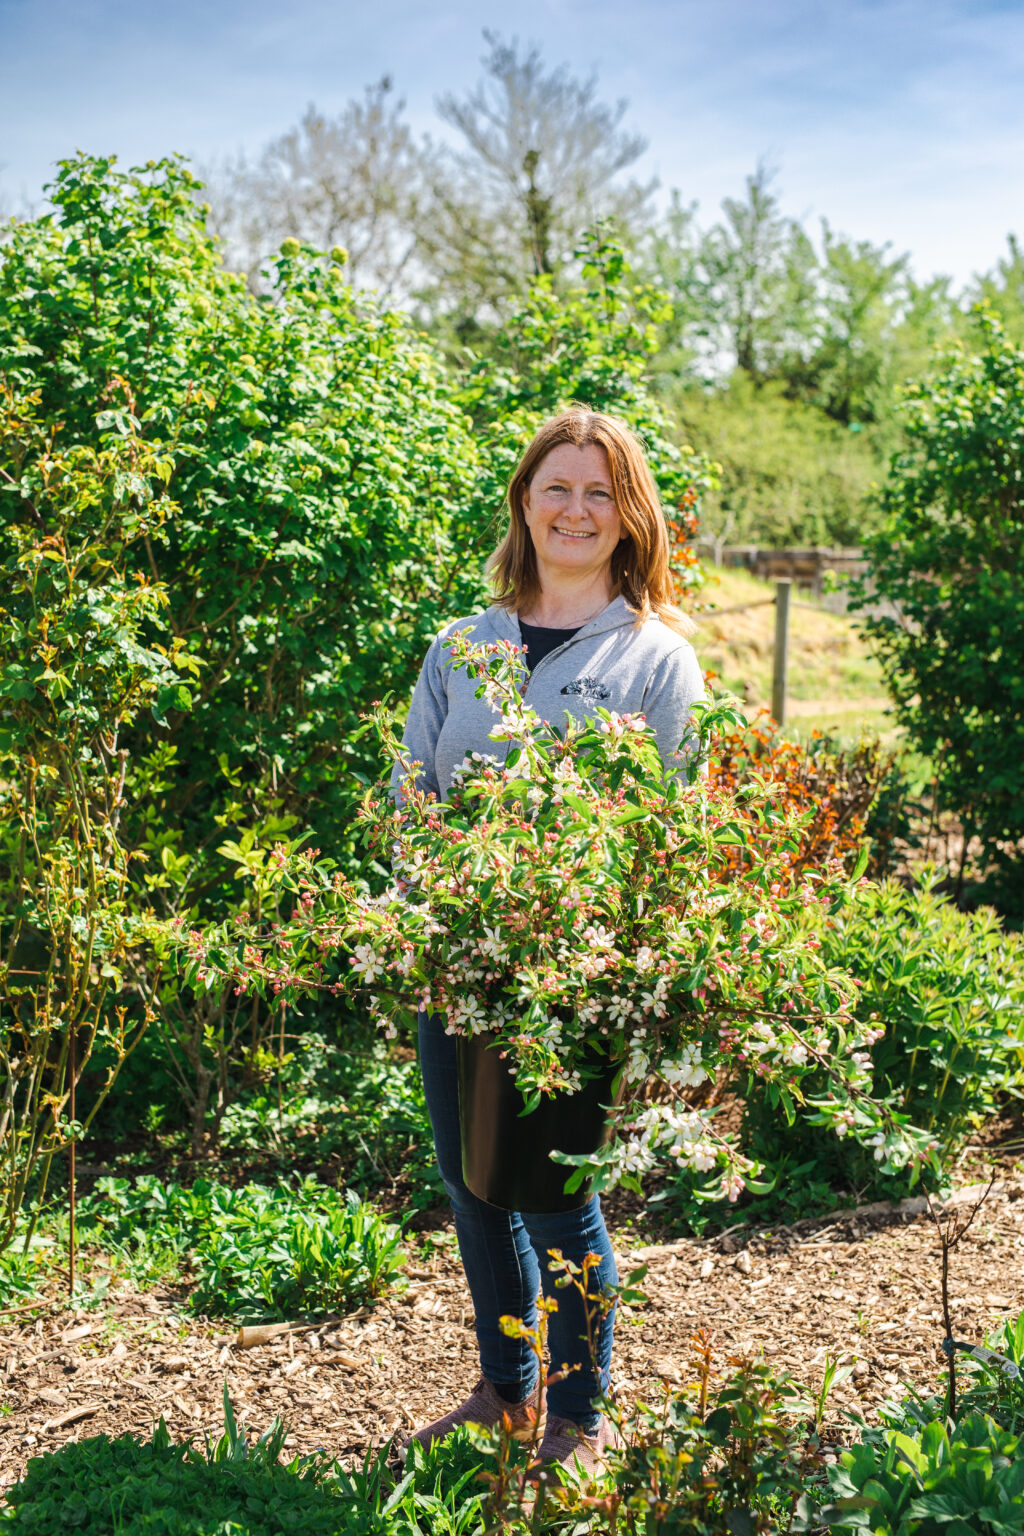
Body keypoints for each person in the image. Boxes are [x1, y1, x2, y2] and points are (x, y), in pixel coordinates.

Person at [395, 407, 705, 1478]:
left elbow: (676, 829)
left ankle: (580, 1413)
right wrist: (423, 920)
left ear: (630, 516)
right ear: (524, 503)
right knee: (473, 1185)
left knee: (560, 1195)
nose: (575, 508)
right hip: (455, 967)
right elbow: (413, 795)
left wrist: (625, 960)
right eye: (555, 486)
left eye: (598, 491)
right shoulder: (461, 644)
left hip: (581, 982)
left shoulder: (655, 660)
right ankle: (506, 1392)